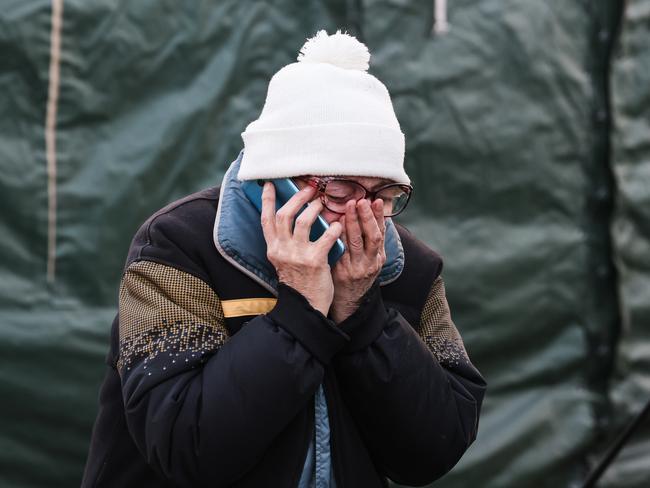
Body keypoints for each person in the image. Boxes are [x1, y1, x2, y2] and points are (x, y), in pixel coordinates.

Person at [82, 29, 486, 488]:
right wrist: (299, 311)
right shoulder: (178, 247)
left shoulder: (410, 267)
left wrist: (363, 313)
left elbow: (438, 446)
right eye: (340, 189)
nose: (365, 215)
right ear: (277, 177)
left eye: (384, 193)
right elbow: (185, 445)